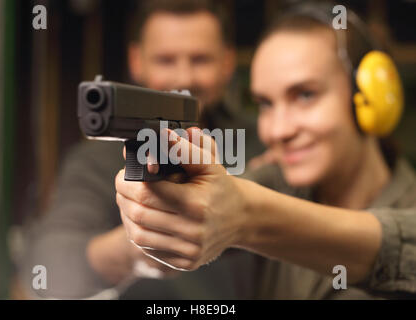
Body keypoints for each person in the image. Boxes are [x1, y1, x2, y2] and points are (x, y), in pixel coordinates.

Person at [115, 4, 416, 299]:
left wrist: (246, 215)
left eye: (305, 95)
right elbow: (205, 212)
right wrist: (166, 208)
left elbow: (397, 243)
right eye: (266, 104)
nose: (277, 131)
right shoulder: (277, 182)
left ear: (371, 97)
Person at [20, 0, 263, 299]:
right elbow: (48, 264)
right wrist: (134, 247)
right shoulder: (97, 159)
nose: (184, 79)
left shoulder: (263, 137)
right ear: (136, 61)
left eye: (200, 59)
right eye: (166, 60)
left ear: (227, 63)